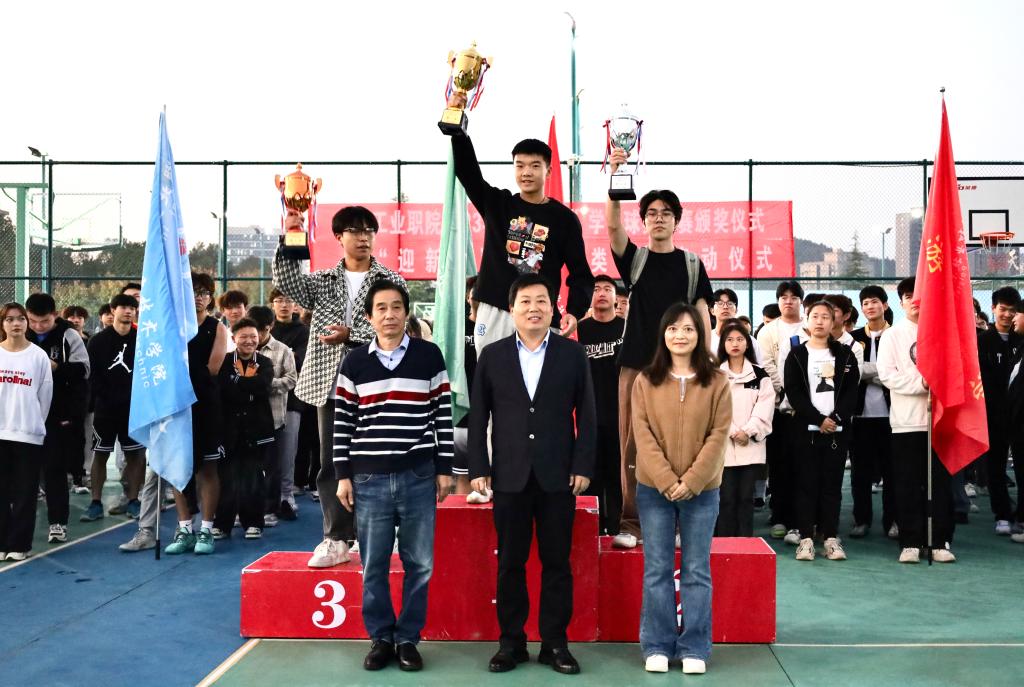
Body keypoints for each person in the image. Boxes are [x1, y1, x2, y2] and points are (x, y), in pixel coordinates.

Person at [469, 273, 596, 675]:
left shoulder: (572, 354)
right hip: (509, 475)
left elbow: (588, 415)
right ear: (512, 309)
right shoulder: (492, 355)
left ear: (553, 308)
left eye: (542, 300)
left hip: (559, 475)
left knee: (557, 563)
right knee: (511, 562)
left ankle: (555, 644)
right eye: (525, 301)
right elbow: (478, 417)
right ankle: (512, 643)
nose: (534, 308)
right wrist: (479, 467)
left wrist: (582, 465)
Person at [273, 205, 405, 568]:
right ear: (338, 237)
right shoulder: (322, 281)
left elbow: (395, 328)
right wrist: (293, 234)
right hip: (329, 387)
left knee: (376, 462)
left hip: (377, 385)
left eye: (369, 231)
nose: (363, 238)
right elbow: (288, 282)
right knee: (332, 464)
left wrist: (352, 335)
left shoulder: (390, 280)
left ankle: (374, 535)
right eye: (355, 231)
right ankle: (335, 538)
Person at [333, 280, 454, 672]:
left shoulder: (429, 356)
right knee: (374, 565)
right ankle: (381, 637)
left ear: (407, 312)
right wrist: (342, 475)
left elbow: (443, 415)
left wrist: (444, 468)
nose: (389, 315)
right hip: (368, 479)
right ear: (369, 317)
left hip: (418, 475)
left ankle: (408, 639)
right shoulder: (354, 362)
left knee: (420, 564)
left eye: (397, 307)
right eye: (381, 308)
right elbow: (342, 422)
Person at [605, 151, 714, 547]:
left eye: (666, 213)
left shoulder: (692, 264)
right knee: (632, 446)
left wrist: (705, 362)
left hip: (681, 369)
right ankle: (631, 524)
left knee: (682, 445)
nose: (659, 218)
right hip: (636, 366)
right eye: (651, 213)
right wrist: (616, 178)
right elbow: (612, 226)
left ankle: (679, 525)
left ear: (677, 220)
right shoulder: (635, 259)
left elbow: (702, 313)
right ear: (644, 221)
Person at [447, 96, 593, 355]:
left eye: (535, 166)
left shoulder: (564, 219)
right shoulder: (498, 204)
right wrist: (457, 126)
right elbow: (468, 173)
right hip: (495, 308)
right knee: (493, 373)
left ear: (548, 171)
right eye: (520, 166)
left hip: (540, 311)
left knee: (540, 377)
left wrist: (574, 310)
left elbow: (580, 273)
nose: (526, 172)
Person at [631, 302, 730, 675]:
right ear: (663, 334)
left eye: (688, 329)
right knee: (657, 568)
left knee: (696, 570)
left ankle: (695, 647)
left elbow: (718, 435)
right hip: (653, 490)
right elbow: (642, 434)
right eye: (673, 328)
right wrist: (667, 480)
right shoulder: (646, 380)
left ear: (700, 335)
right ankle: (656, 645)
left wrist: (690, 481)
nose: (680, 335)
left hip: (702, 492)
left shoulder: (717, 381)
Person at [122, 273, 227, 553]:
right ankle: (184, 529)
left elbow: (213, 368)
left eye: (204, 292)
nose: (198, 297)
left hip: (205, 407)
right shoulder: (172, 326)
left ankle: (206, 529)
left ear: (210, 297)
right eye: (193, 291)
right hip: (174, 407)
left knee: (207, 470)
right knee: (176, 467)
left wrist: (180, 372)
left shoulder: (217, 328)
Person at [877, 278, 956, 563]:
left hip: (939, 421)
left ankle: (939, 541)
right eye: (909, 296)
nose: (915, 301)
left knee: (939, 484)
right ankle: (910, 541)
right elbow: (887, 375)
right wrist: (921, 383)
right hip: (906, 422)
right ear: (901, 302)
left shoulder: (943, 333)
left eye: (920, 295)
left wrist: (939, 382)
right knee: (908, 483)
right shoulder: (893, 335)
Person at [784, 301, 859, 562]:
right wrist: (817, 419)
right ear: (807, 319)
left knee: (832, 486)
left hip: (837, 431)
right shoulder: (796, 354)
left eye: (825, 317)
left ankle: (830, 538)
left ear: (833, 321)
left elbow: (851, 392)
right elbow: (793, 391)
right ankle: (806, 539)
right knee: (805, 484)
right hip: (805, 430)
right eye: (814, 316)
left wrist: (835, 418)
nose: (819, 321)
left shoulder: (845, 354)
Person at [25, 293, 90, 542]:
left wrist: (57, 367)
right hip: (24, 413)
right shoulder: (20, 334)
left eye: (44, 321)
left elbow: (84, 370)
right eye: (33, 321)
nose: (38, 326)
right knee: (22, 472)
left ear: (55, 315)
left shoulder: (69, 335)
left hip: (57, 413)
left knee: (54, 469)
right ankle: (17, 527)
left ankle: (58, 523)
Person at [82, 295, 146, 523]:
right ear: (113, 310)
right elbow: (92, 376)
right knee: (100, 454)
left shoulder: (142, 339)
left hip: (134, 409)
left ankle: (133, 500)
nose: (128, 311)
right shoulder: (98, 341)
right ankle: (95, 503)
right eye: (123, 307)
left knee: (135, 455)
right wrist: (104, 398)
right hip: (106, 409)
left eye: (132, 308)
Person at [209, 318, 275, 541]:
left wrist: (237, 381)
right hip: (228, 430)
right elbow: (225, 390)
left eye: (253, 337)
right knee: (226, 478)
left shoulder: (265, 362)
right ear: (233, 338)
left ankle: (254, 523)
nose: (249, 341)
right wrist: (247, 386)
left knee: (253, 478)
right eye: (244, 336)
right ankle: (222, 524)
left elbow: (263, 386)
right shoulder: (224, 361)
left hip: (257, 430)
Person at [0, 302, 54, 561]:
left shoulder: (38, 356)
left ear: (26, 323)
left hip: (27, 435)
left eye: (20, 318)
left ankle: (20, 545)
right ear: (3, 324)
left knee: (25, 493)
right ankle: (2, 543)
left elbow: (45, 396)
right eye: (10, 319)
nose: (16, 323)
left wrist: (34, 425)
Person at [757, 280, 806, 544]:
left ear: (801, 301)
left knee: (803, 465)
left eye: (793, 297)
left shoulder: (809, 327)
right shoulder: (768, 331)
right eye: (783, 297)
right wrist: (786, 391)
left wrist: (801, 397)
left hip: (806, 410)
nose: (788, 301)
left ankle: (801, 520)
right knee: (778, 464)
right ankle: (779, 516)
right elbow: (766, 365)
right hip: (778, 408)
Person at [576, 275, 625, 535]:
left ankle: (618, 528)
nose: (602, 293)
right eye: (596, 289)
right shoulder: (580, 330)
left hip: (620, 416)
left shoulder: (627, 329)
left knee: (618, 477)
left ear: (616, 297)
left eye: (608, 289)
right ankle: (592, 530)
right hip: (588, 417)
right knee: (590, 476)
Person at [716, 320, 774, 537]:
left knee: (745, 499)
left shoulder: (760, 375)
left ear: (747, 344)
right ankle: (723, 545)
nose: (735, 344)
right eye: (730, 339)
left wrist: (747, 431)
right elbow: (714, 408)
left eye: (740, 339)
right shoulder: (715, 375)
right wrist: (733, 431)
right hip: (723, 446)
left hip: (750, 446)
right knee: (726, 498)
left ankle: (745, 544)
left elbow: (765, 407)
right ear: (723, 344)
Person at [849, 285, 895, 539]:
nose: (870, 307)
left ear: (885, 305)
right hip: (860, 416)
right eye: (865, 303)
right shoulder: (854, 337)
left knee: (892, 472)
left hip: (893, 416)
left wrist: (871, 373)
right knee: (860, 473)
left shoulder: (896, 335)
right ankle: (861, 519)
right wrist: (881, 373)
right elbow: (852, 371)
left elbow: (899, 371)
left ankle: (893, 521)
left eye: (874, 301)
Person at [977, 286, 1024, 536]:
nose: (1007, 315)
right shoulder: (982, 341)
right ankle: (1002, 513)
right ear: (993, 308)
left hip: (1019, 415)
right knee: (994, 465)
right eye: (1002, 309)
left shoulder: (1021, 338)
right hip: (992, 414)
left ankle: (1019, 514)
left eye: (1012, 310)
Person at [249, 305, 298, 528]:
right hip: (246, 418)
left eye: (262, 330)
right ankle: (246, 509)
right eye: (254, 329)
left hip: (274, 416)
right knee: (247, 466)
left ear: (270, 327)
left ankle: (271, 509)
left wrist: (267, 385)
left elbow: (292, 379)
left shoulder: (283, 350)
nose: (257, 336)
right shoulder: (242, 347)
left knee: (272, 466)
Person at [270, 288, 309, 518]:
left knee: (288, 451)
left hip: (292, 399)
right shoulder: (266, 327)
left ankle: (287, 496)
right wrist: (287, 356)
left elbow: (299, 361)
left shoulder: (303, 331)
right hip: (264, 400)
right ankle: (268, 499)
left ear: (295, 305)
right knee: (266, 453)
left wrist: (282, 359)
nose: (284, 305)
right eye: (279, 300)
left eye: (288, 300)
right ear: (272, 304)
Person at [709, 288, 762, 363]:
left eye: (730, 303)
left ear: (736, 310)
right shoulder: (706, 339)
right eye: (720, 303)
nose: (725, 307)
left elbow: (759, 365)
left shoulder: (749, 340)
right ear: (712, 310)